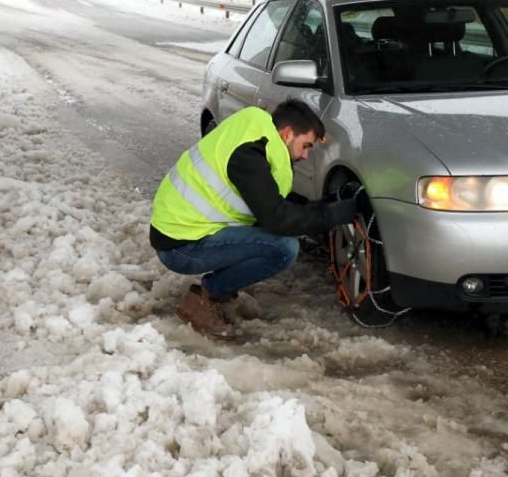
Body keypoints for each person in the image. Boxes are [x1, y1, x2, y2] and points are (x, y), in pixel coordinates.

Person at [149, 99, 358, 338]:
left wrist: (323, 204)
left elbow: (272, 201)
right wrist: (332, 215)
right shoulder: (249, 155)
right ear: (288, 134)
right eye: (306, 146)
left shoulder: (253, 135)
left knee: (277, 239)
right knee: (283, 248)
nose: (305, 155)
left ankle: (216, 292)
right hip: (180, 247)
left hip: (181, 231)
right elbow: (276, 218)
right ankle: (206, 297)